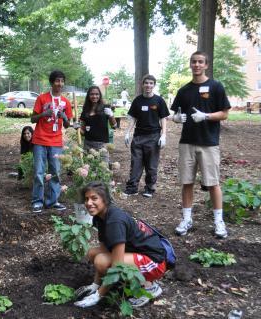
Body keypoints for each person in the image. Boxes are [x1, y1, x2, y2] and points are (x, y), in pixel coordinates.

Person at [74, 181, 167, 308]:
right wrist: (95, 285)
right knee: (93, 253)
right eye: (86, 199)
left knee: (101, 261)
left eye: (94, 198)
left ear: (105, 200)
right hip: (137, 252)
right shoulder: (99, 217)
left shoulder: (114, 221)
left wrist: (98, 295)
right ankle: (124, 282)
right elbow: (103, 249)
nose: (88, 203)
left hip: (155, 262)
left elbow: (117, 266)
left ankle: (149, 287)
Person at [171, 51, 230, 239]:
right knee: (186, 182)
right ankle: (187, 219)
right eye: (194, 62)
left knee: (213, 183)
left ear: (206, 65)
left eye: (200, 62)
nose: (196, 65)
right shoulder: (184, 90)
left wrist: (206, 116)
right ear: (190, 64)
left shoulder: (216, 87)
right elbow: (174, 114)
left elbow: (225, 113)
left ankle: (218, 221)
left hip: (208, 143)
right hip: (187, 143)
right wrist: (177, 118)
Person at [30, 70, 72, 213]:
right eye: (57, 81)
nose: (59, 84)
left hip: (56, 141)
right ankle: (37, 201)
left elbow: (67, 125)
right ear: (52, 82)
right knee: (39, 172)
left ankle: (52, 201)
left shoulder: (65, 102)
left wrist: (64, 118)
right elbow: (32, 119)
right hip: (40, 139)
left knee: (55, 172)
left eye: (62, 81)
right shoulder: (42, 98)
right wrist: (43, 114)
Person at [123, 75, 169, 198]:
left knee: (151, 165)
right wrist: (127, 132)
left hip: (153, 136)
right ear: (142, 84)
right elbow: (133, 118)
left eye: (151, 83)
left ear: (154, 85)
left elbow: (163, 118)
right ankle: (132, 188)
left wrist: (163, 135)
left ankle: (149, 188)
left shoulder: (159, 101)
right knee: (136, 163)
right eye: (146, 83)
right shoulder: (137, 101)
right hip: (138, 136)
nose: (148, 85)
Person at [78, 86, 116, 160]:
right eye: (92, 94)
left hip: (102, 145)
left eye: (97, 94)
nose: (94, 96)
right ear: (88, 96)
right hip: (88, 144)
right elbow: (83, 132)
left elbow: (114, 126)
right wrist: (77, 128)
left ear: (100, 95)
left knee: (103, 169)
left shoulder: (105, 108)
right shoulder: (85, 110)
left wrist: (111, 115)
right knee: (89, 169)